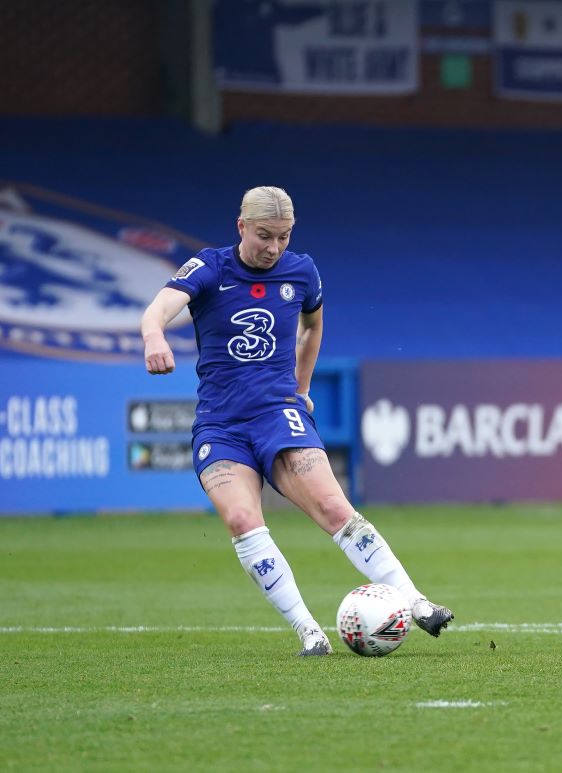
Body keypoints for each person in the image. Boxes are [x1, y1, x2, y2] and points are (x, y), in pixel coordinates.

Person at [140, 186, 453, 656]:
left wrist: (301, 389)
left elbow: (312, 325)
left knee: (333, 508)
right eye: (265, 236)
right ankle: (309, 630)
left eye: (284, 237)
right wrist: (153, 338)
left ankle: (416, 602)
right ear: (241, 226)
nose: (274, 248)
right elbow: (158, 309)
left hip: (276, 415)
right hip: (220, 425)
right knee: (243, 519)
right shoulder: (210, 267)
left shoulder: (302, 271)